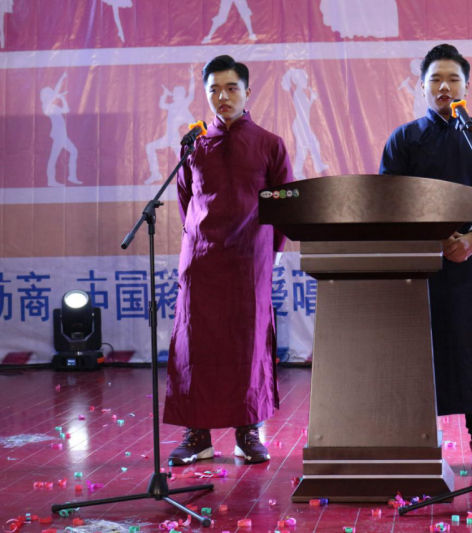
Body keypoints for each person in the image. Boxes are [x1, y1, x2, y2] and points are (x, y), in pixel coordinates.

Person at [379, 44, 472, 474]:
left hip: (471, 262)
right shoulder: (405, 139)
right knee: (421, 347)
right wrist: (436, 238)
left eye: (453, 79)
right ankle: (418, 435)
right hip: (420, 262)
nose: (444, 87)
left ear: (467, 87)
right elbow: (390, 196)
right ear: (421, 87)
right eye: (435, 79)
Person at [164, 55, 294, 465]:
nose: (222, 96)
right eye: (214, 90)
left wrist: (269, 252)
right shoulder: (194, 144)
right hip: (201, 260)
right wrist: (199, 239)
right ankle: (197, 435)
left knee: (247, 344)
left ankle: (248, 431)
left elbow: (284, 203)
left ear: (247, 91)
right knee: (195, 344)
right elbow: (186, 199)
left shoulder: (269, 143)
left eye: (231, 88)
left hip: (249, 260)